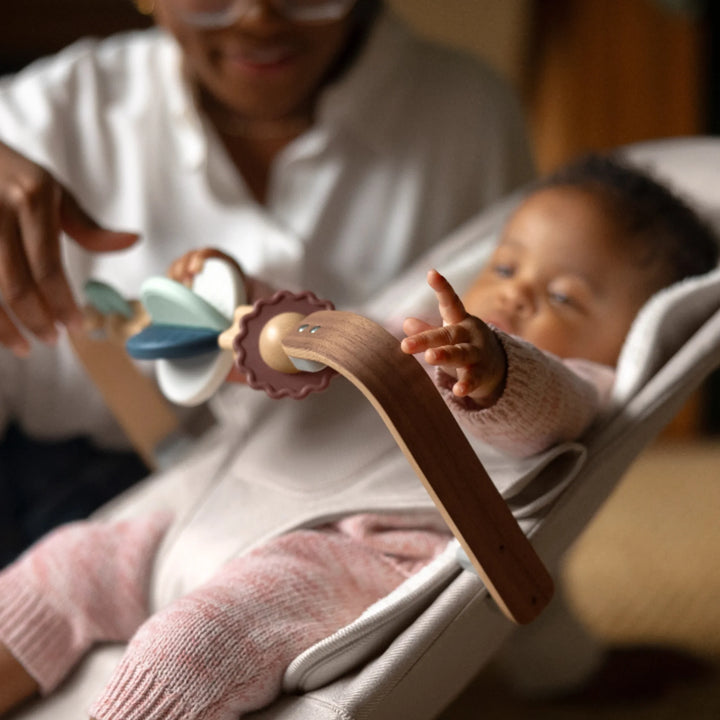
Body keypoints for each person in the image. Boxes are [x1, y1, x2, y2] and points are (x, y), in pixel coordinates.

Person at [0, 153, 716, 720]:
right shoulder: (399, 324)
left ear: (631, 340)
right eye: (506, 266)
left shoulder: (581, 386)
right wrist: (235, 295)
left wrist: (497, 369)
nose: (519, 291)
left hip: (348, 549)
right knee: (65, 565)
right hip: (226, 508)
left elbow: (546, 413)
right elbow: (296, 354)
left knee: (195, 645)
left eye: (565, 297)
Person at [0, 0, 535, 562]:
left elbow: (521, 378)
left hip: (352, 498)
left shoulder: (468, 116)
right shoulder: (37, 118)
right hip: (56, 489)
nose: (257, 18)